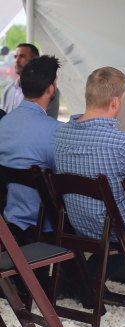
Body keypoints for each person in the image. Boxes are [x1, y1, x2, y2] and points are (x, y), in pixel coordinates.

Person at [54, 66, 125, 242]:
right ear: (115, 102)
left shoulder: (61, 134)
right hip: (120, 233)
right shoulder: (121, 143)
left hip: (80, 227)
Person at [0, 55, 62, 245]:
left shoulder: (4, 123)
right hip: (45, 223)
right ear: (51, 88)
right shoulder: (56, 131)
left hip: (8, 219)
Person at [0, 43, 60, 119]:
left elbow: (49, 122)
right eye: (15, 57)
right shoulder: (8, 89)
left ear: (34, 60)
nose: (17, 61)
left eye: (22, 56)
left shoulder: (47, 89)